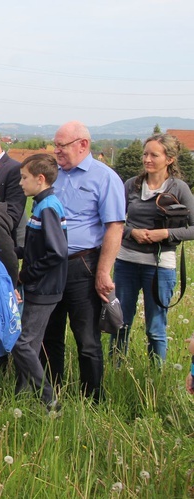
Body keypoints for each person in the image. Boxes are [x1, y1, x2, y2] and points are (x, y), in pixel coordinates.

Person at [42, 121, 125, 402]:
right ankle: (51, 393)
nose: (56, 151)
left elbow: (115, 226)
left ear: (83, 145)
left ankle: (91, 399)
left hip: (83, 265)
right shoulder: (54, 175)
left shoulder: (104, 177)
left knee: (87, 339)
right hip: (50, 266)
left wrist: (103, 271)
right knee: (49, 334)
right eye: (55, 145)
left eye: (61, 146)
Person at [111, 134, 194, 363]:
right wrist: (131, 232)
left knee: (156, 327)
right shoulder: (132, 185)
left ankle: (154, 376)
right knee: (120, 323)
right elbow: (114, 221)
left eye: (154, 155)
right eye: (145, 154)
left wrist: (165, 234)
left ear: (169, 159)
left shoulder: (180, 188)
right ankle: (116, 369)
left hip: (160, 267)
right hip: (126, 262)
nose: (147, 159)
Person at [12, 154, 67, 409]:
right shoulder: (41, 203)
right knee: (29, 346)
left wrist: (26, 274)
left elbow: (56, 252)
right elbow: (37, 246)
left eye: (24, 178)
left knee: (21, 343)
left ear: (40, 179)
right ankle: (20, 395)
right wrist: (14, 252)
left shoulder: (48, 207)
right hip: (40, 286)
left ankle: (48, 398)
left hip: (43, 288)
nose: (21, 183)